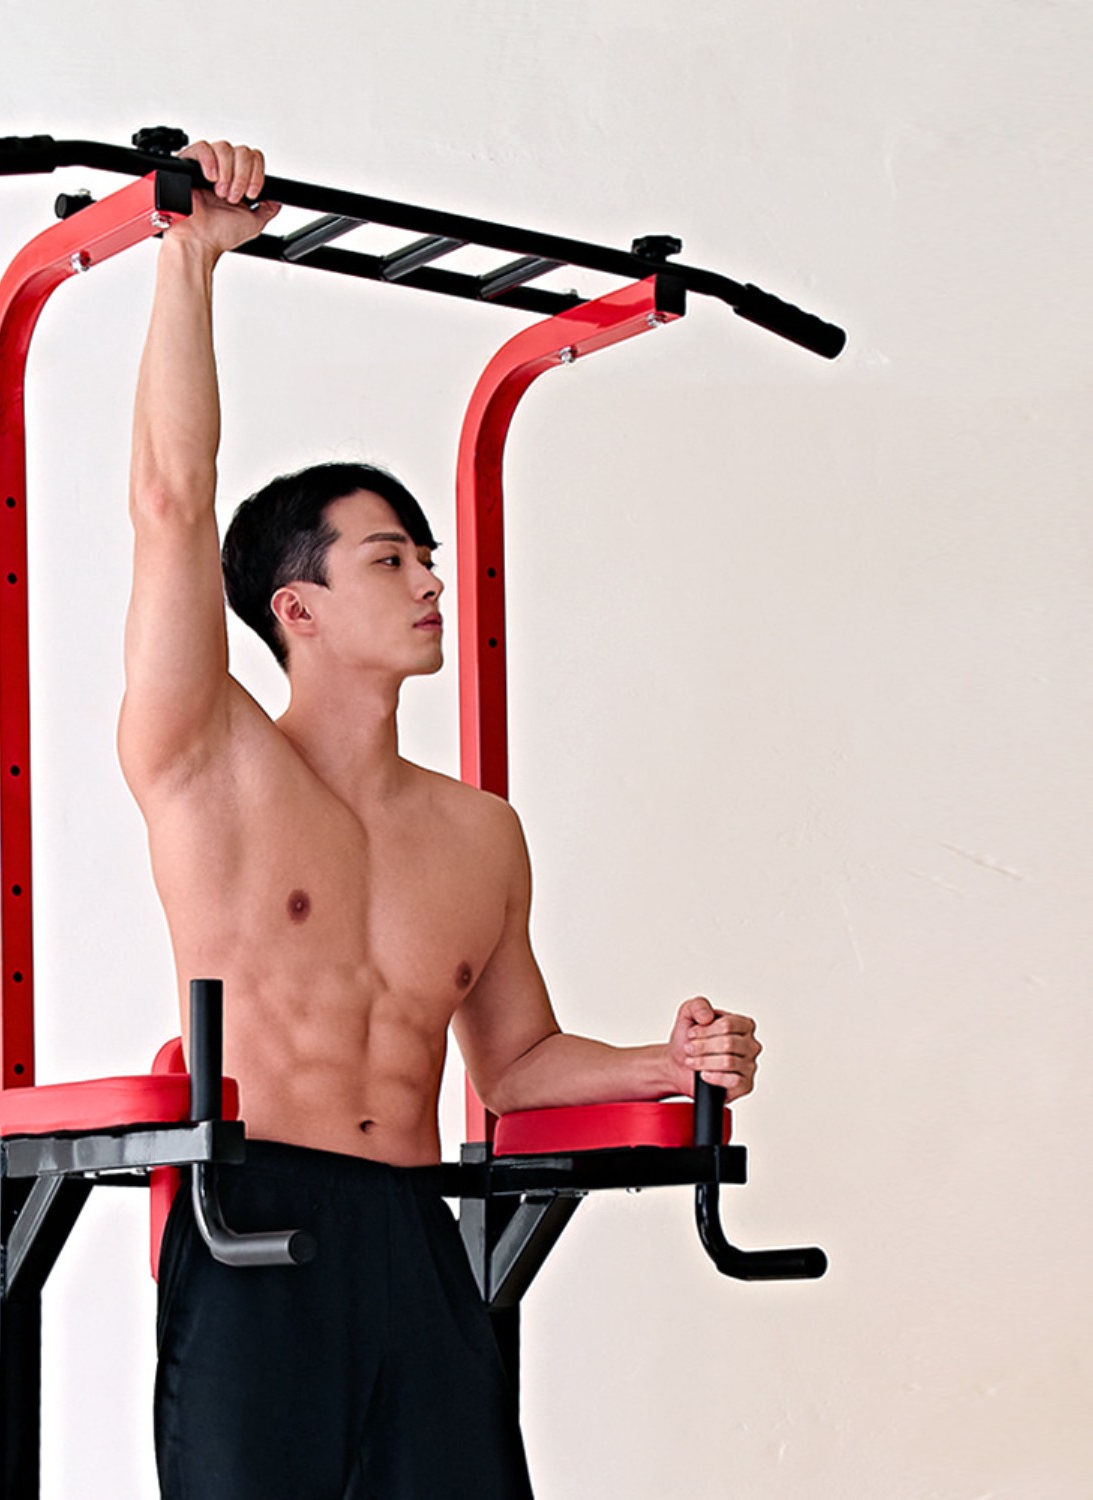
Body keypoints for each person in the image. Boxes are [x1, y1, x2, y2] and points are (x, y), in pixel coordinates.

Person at [119, 139, 762, 1500]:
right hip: (255, 1230)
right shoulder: (208, 758)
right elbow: (172, 506)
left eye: (429, 558)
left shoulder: (479, 834)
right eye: (390, 559)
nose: (429, 585)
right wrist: (189, 259)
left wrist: (669, 1062)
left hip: (414, 1240)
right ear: (295, 608)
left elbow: (515, 1065)